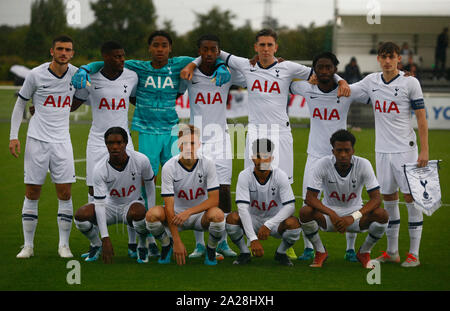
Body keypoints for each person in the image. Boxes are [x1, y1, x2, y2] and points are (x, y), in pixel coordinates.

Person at [183, 29, 351, 259]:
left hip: (281, 134)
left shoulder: (289, 67)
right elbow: (216, 53)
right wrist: (193, 64)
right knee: (249, 185)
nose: (265, 49)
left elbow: (321, 72)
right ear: (255, 47)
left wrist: (341, 80)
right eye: (261, 44)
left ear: (276, 47)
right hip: (254, 133)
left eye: (269, 45)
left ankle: (288, 242)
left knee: (284, 186)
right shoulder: (245, 65)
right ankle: (244, 242)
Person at [289, 52, 370, 262]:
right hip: (314, 156)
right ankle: (310, 247)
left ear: (335, 69)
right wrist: (280, 62)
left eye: (328, 67)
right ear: (314, 70)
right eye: (320, 68)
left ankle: (350, 249)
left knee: (352, 201)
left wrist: (402, 73)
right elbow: (284, 78)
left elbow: (373, 86)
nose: (324, 71)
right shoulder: (307, 89)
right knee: (308, 204)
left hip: (341, 156)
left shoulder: (347, 91)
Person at [355, 42, 429, 267]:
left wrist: (424, 150)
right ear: (378, 59)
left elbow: (421, 118)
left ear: (399, 59)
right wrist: (317, 77)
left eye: (391, 56)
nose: (387, 60)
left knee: (411, 199)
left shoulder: (410, 82)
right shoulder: (371, 81)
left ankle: (414, 254)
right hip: (382, 150)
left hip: (406, 151)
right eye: (383, 57)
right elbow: (346, 87)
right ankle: (392, 251)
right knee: (388, 199)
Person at [71, 41, 145, 259]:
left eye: (123, 56)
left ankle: (134, 244)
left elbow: (137, 99)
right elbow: (73, 104)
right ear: (104, 57)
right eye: (116, 56)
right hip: (96, 140)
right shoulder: (90, 78)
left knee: (132, 190)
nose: (121, 60)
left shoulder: (131, 76)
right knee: (94, 194)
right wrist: (45, 104)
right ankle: (96, 243)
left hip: (124, 140)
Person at [9, 35, 78, 259]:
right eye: (60, 49)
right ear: (52, 51)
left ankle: (64, 245)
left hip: (62, 142)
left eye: (68, 50)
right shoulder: (35, 74)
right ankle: (28, 246)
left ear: (72, 53)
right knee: (32, 192)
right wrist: (13, 136)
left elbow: (88, 93)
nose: (63, 53)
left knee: (65, 193)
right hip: (36, 140)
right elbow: (20, 104)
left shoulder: (77, 74)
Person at [180, 34, 246, 259]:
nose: (209, 54)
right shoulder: (189, 72)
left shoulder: (227, 74)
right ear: (199, 51)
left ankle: (223, 241)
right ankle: (200, 244)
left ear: (219, 51)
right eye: (205, 50)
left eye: (213, 50)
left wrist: (223, 62)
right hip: (196, 138)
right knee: (199, 189)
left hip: (221, 138)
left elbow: (248, 68)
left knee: (224, 189)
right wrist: (193, 63)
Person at [299, 129, 388, 268]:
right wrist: (332, 214)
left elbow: (376, 199)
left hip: (355, 217)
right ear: (333, 151)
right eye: (339, 150)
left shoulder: (363, 164)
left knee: (382, 215)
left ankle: (364, 252)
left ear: (353, 150)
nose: (343, 155)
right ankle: (320, 252)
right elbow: (310, 198)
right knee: (305, 212)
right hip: (329, 217)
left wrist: (352, 217)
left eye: (347, 150)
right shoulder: (322, 164)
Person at [145, 124, 225, 266]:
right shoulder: (169, 166)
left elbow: (214, 200)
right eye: (184, 143)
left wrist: (189, 212)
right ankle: (166, 245)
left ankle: (211, 250)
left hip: (200, 216)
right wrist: (177, 241)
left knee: (218, 216)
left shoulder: (208, 164)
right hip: (175, 215)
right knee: (151, 215)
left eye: (193, 143)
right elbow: (168, 206)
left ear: (199, 144)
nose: (189, 147)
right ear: (178, 145)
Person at [74, 127, 155, 264]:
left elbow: (150, 185)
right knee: (81, 215)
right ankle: (96, 244)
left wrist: (151, 211)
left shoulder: (141, 160)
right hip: (109, 206)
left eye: (119, 143)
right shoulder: (100, 168)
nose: (115, 147)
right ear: (106, 145)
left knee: (139, 212)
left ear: (126, 143)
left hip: (131, 205)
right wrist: (105, 238)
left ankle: (141, 245)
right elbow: (99, 203)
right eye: (110, 143)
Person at [226, 138, 301, 266]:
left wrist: (269, 224)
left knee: (294, 224)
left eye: (265, 157)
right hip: (252, 219)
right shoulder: (244, 175)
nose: (261, 161)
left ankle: (281, 253)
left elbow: (290, 206)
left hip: (275, 221)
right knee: (231, 218)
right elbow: (242, 209)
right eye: (258, 157)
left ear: (271, 158)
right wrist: (253, 239)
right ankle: (244, 252)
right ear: (252, 157)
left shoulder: (280, 175)